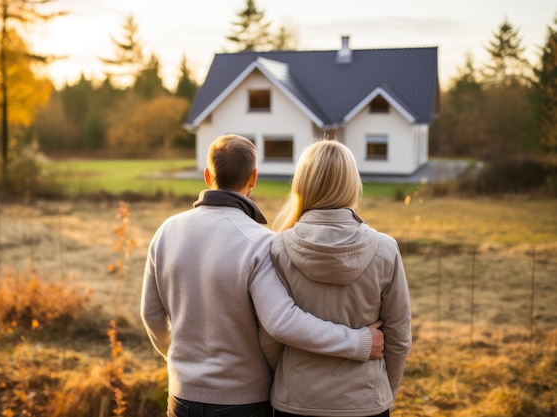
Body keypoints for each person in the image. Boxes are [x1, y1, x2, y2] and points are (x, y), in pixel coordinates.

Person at [140, 134, 385, 417]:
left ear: (208, 175)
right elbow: (281, 322)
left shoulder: (166, 232)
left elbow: (151, 314)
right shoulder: (259, 242)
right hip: (244, 403)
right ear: (253, 178)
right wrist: (358, 342)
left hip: (180, 398)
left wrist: (183, 363)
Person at [270, 139, 412, 417]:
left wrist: (285, 382)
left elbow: (269, 337)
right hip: (366, 402)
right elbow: (399, 336)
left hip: (295, 401)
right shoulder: (385, 249)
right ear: (352, 183)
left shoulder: (278, 248)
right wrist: (385, 392)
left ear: (302, 183)